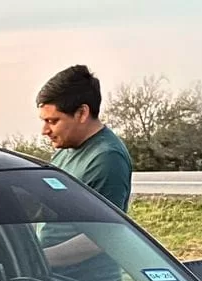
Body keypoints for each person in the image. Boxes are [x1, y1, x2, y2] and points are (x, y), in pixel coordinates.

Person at [36, 65, 133, 210]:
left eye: (53, 121)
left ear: (82, 113)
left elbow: (101, 229)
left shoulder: (107, 158)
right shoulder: (65, 149)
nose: (45, 131)